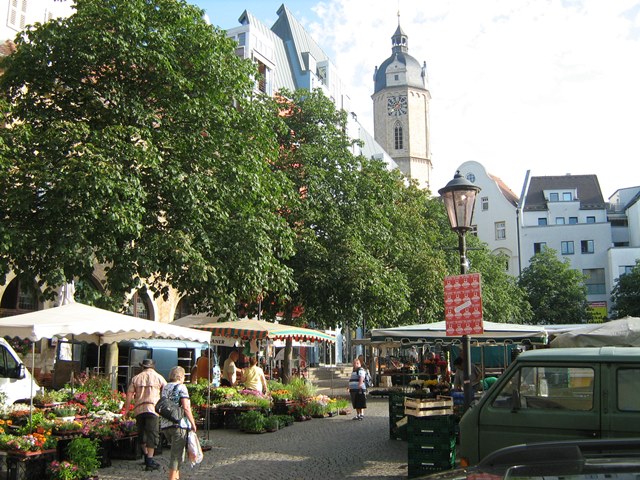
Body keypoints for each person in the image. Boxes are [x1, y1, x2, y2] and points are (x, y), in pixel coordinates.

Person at [124, 358, 167, 471]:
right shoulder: (159, 377)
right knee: (152, 434)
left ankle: (147, 456)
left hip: (139, 410)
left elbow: (129, 394)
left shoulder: (136, 378)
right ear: (153, 366)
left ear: (142, 366)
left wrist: (127, 410)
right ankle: (149, 460)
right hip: (153, 409)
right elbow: (166, 392)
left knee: (142, 434)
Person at [160, 366, 197, 480]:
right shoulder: (182, 387)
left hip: (165, 424)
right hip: (178, 424)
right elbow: (186, 407)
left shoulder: (165, 387)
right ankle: (172, 477)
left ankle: (176, 477)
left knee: (177, 452)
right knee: (176, 455)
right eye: (184, 376)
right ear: (180, 376)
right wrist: (193, 423)